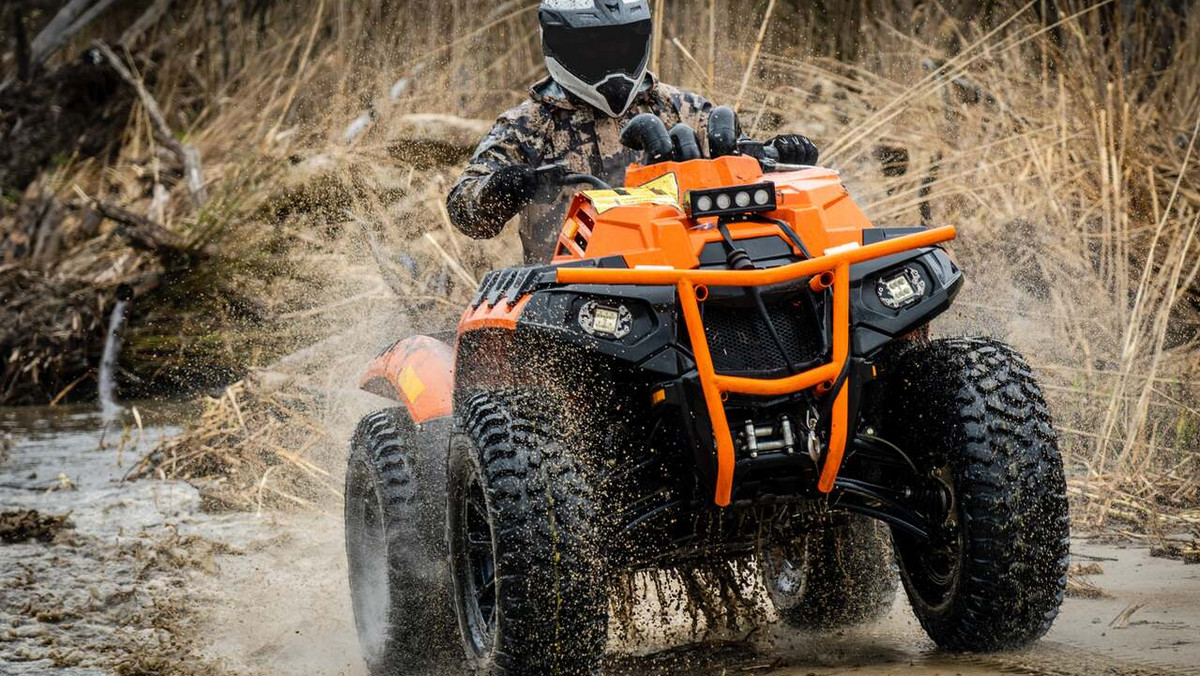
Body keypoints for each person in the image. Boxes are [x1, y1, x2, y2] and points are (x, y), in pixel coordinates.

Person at [447, 0, 818, 263]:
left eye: (621, 44)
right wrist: (503, 187)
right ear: (561, 44)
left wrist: (779, 157)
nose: (610, 60)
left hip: (688, 278)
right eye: (595, 48)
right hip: (568, 295)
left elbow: (743, 171)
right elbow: (466, 213)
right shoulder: (528, 126)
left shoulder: (681, 109)